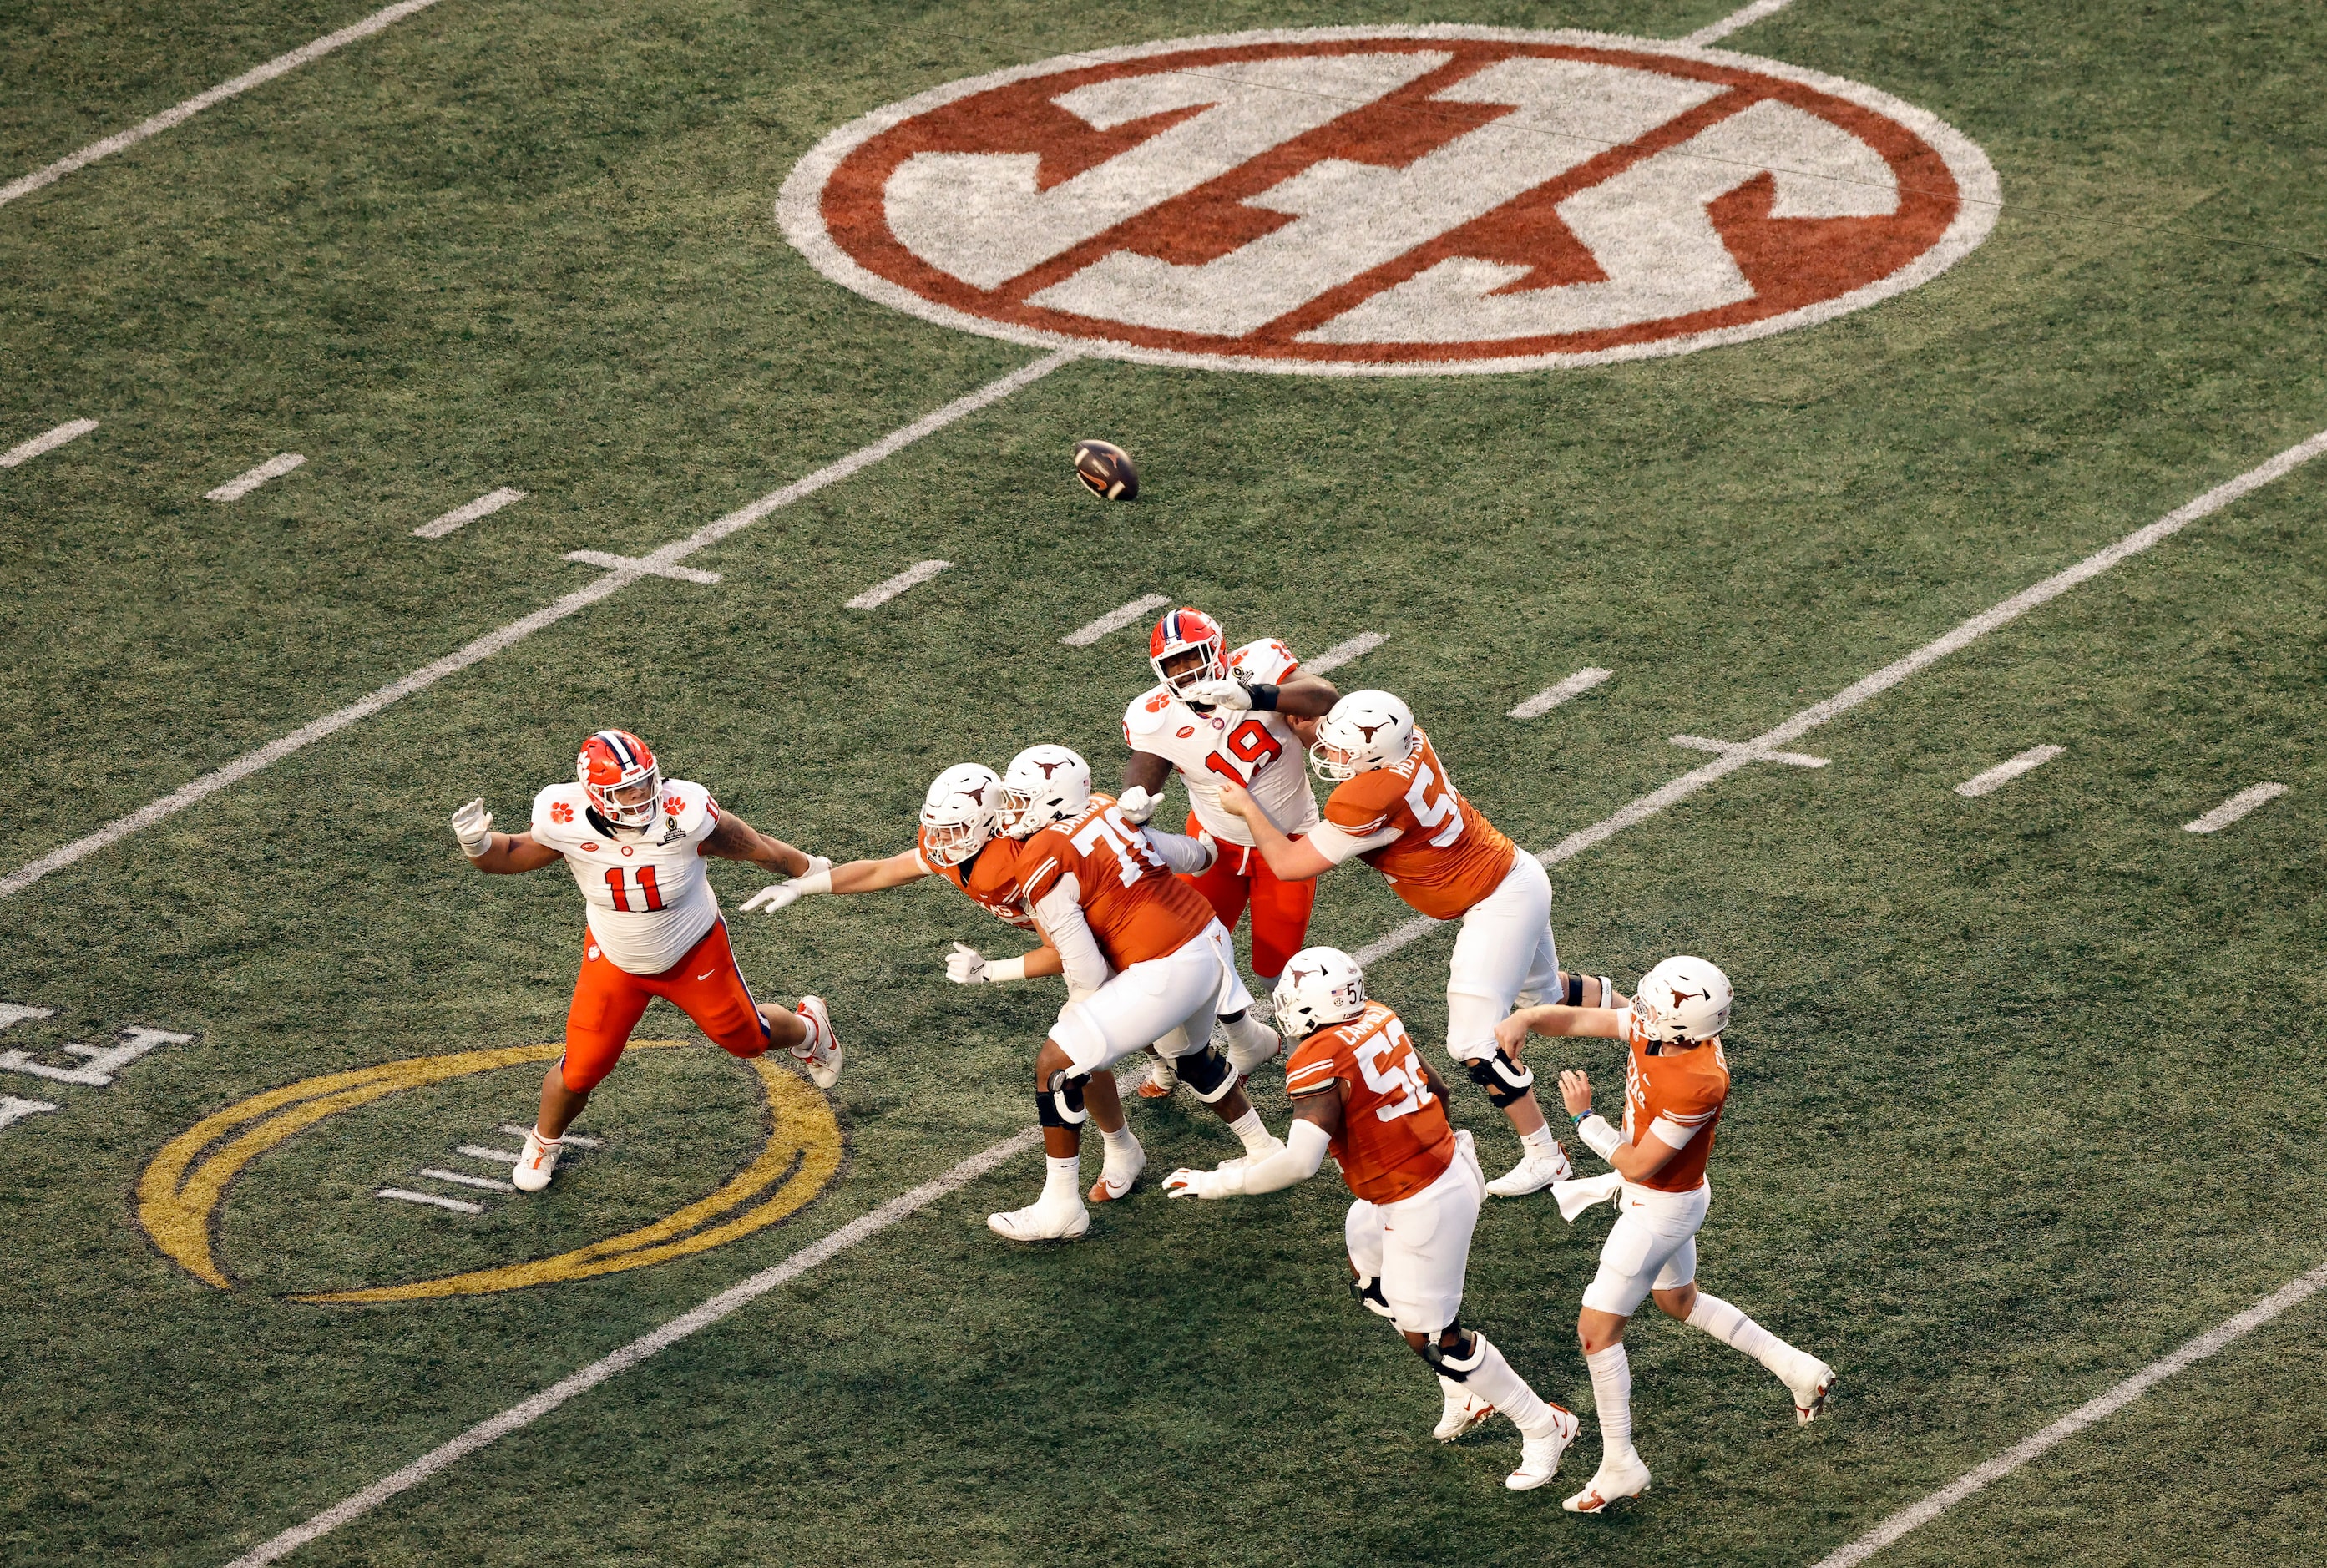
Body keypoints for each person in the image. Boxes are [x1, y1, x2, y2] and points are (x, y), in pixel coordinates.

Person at [1163, 946, 1581, 1490]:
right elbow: (1437, 1090)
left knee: (1441, 1334)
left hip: (1422, 1198)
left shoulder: (1317, 1056)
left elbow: (1297, 1162)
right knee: (1371, 1280)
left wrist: (1215, 1182)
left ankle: (1544, 1424)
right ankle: (1460, 1391)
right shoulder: (1379, 1015)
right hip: (1430, 1174)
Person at [1215, 689, 1615, 1197]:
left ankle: (1545, 1155)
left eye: (1343, 749)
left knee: (1472, 1041)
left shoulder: (1366, 797)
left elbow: (1291, 866)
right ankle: (1653, 1033)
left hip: (1497, 902)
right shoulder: (1411, 742)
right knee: (1546, 999)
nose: (1331, 756)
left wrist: (1248, 807)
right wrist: (1312, 727)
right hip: (1512, 874)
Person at [1495, 957, 1835, 1514]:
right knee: (1678, 1301)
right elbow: (1589, 1022)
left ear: (1677, 1024)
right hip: (1672, 1198)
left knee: (1594, 1333)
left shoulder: (1698, 1082)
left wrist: (1585, 1121)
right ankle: (1797, 1368)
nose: (1639, 1012)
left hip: (1659, 1206)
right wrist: (1527, 1021)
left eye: (1651, 1008)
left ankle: (1619, 1463)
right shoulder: (1673, 1037)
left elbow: (1637, 1165)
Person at [449, 729, 838, 1191]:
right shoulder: (564, 819)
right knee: (580, 1068)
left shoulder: (685, 815)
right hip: (615, 960)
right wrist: (478, 844)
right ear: (594, 794)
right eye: (624, 790)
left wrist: (808, 871)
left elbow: (753, 846)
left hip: (693, 949)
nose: (639, 797)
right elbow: (508, 856)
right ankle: (543, 1142)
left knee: (747, 1040)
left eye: (644, 783)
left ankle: (810, 1028)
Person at [989, 744, 1287, 1241]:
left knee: (1058, 1061)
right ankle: (1264, 1149)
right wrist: (1209, 850)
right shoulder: (1106, 808)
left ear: (1053, 801)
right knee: (1185, 1055)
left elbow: (1083, 968)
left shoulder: (1043, 854)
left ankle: (1060, 1206)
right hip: (1208, 938)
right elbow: (1190, 854)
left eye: (1023, 799)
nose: (1013, 810)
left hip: (1169, 965)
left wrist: (1076, 1021)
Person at [1114, 609, 1340, 1096]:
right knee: (1181, 950)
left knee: (1275, 966)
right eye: (1173, 664)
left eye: (1193, 657)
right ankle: (1211, 1049)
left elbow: (1326, 697)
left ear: (1217, 648)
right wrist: (1136, 798)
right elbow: (1147, 764)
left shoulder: (1258, 664)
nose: (1186, 672)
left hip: (1287, 843)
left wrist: (1256, 696)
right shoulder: (1155, 713)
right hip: (1213, 844)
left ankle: (1306, 1057)